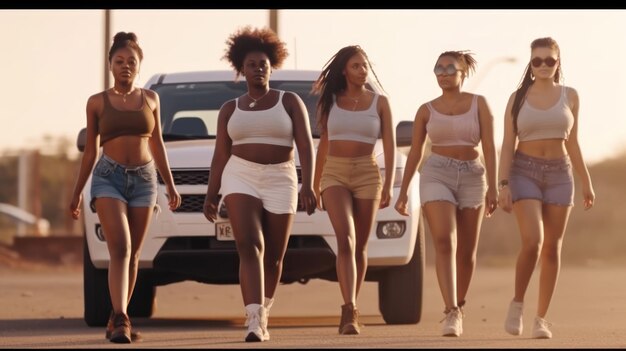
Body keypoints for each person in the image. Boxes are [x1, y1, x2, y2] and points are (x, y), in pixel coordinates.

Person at [202, 26, 316, 343]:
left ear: (271, 66)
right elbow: (220, 156)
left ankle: (263, 310)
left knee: (275, 257)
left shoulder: (290, 101)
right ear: (242, 68)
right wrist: (212, 194)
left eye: (263, 64)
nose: (258, 69)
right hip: (240, 175)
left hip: (282, 177)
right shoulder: (230, 109)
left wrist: (309, 184)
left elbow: (305, 146)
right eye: (252, 64)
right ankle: (253, 320)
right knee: (250, 245)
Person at [69, 31, 181, 344]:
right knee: (119, 247)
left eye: (131, 61)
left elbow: (157, 144)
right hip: (108, 177)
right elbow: (90, 151)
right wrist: (78, 192)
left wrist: (170, 185)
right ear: (110, 65)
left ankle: (118, 316)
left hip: (145, 179)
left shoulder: (151, 99)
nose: (125, 66)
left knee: (133, 255)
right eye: (119, 61)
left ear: (139, 65)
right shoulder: (96, 103)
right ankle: (121, 318)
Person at [394, 51, 498, 337]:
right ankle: (450, 311)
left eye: (450, 68)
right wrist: (403, 192)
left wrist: (493, 185)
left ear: (463, 72)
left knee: (467, 250)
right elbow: (416, 151)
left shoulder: (479, 104)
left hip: (473, 176)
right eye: (438, 68)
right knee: (444, 240)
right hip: (436, 172)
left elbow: (489, 145)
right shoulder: (426, 109)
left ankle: (460, 305)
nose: (443, 72)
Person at [498, 37, 595, 339]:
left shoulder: (571, 96)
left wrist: (586, 182)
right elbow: (506, 145)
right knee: (533, 242)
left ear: (557, 63)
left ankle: (541, 318)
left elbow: (574, 143)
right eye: (537, 60)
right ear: (531, 63)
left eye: (549, 61)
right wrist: (502, 184)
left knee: (553, 248)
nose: (543, 66)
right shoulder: (517, 98)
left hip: (560, 174)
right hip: (523, 171)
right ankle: (517, 303)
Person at [311, 45, 396, 335]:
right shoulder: (330, 100)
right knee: (345, 239)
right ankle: (349, 309)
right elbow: (324, 142)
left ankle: (353, 304)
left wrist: (386, 184)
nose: (363, 70)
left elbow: (390, 145)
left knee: (360, 244)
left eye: (365, 65)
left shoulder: (380, 102)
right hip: (334, 172)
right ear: (345, 70)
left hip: (368, 175)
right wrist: (314, 181)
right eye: (357, 66)